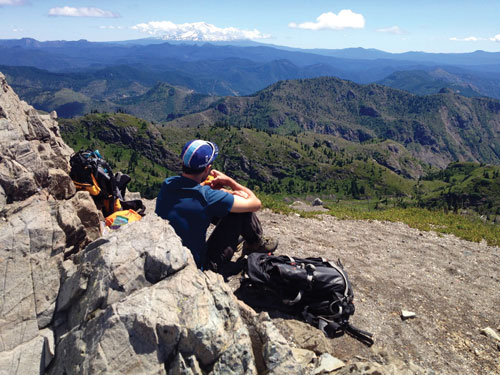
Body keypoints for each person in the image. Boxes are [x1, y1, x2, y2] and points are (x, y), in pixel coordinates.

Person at [155, 139, 277, 272]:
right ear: (207, 168)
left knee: (222, 208)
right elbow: (255, 203)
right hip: (196, 267)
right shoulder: (208, 197)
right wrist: (231, 183)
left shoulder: (168, 184)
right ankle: (256, 244)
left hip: (164, 258)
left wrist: (217, 191)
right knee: (241, 212)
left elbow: (192, 195)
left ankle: (244, 240)